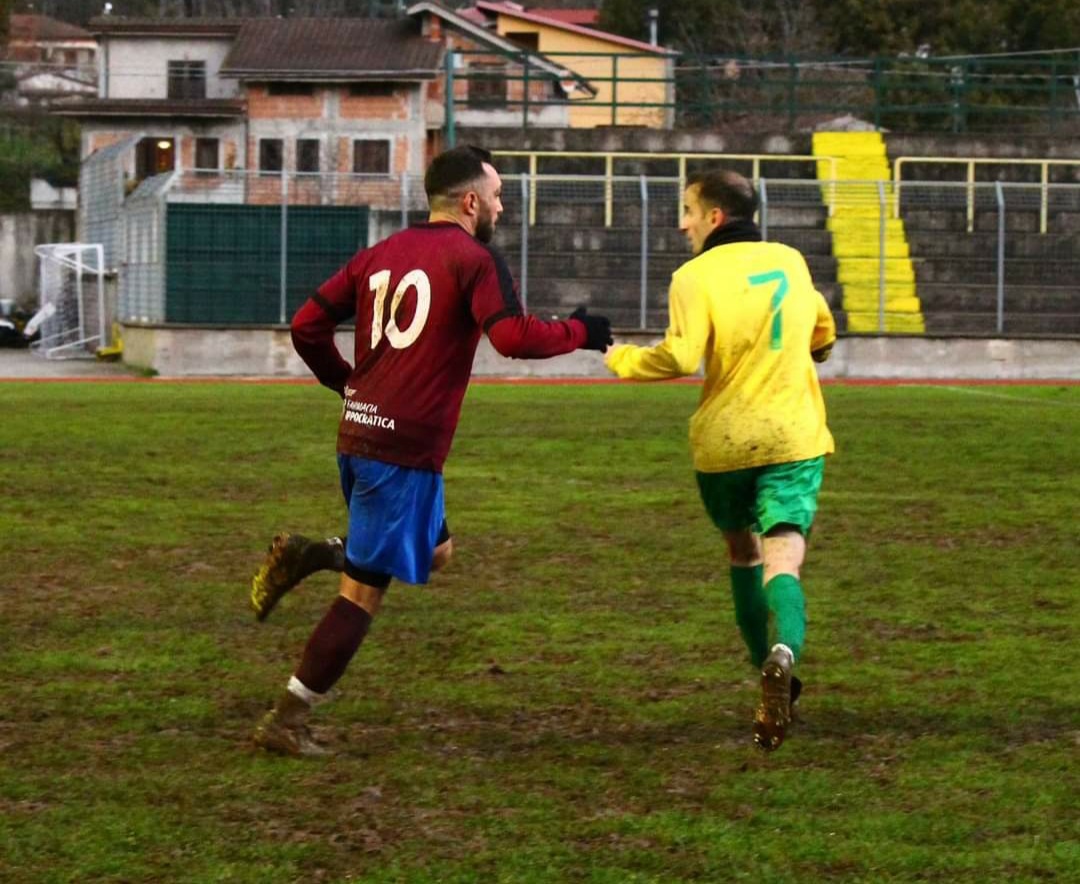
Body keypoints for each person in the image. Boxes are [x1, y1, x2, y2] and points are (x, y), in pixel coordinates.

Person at [252, 145, 613, 756]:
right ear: (471, 201)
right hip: (401, 451)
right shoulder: (475, 258)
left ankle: (315, 553)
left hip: (363, 435)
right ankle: (287, 719)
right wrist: (580, 331)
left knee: (436, 553)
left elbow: (306, 325)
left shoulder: (382, 253)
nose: (501, 206)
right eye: (497, 196)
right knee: (363, 594)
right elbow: (512, 337)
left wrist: (347, 383)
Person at [604, 168, 835, 752]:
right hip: (792, 435)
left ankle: (768, 670)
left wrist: (620, 358)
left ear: (714, 217)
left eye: (687, 209)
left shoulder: (693, 276)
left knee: (741, 553)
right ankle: (785, 653)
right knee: (784, 561)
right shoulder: (790, 259)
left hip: (725, 442)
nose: (681, 223)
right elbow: (822, 334)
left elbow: (680, 356)